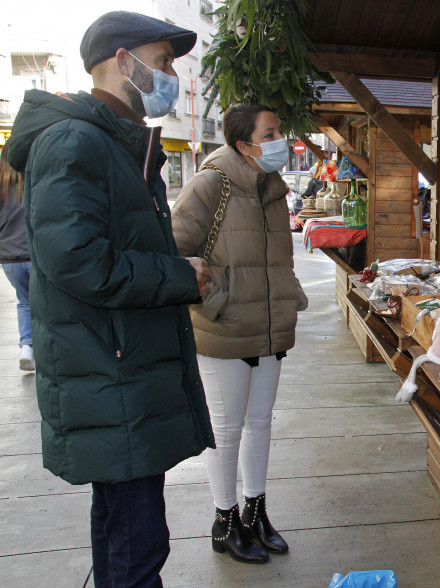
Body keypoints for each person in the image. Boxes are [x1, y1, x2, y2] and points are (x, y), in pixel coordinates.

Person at [5, 11, 214, 587]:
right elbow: (78, 261)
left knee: (126, 533)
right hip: (111, 374)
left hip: (121, 370)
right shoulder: (74, 141)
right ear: (124, 62)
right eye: (164, 62)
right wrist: (177, 276)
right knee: (137, 544)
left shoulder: (113, 142)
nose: (171, 74)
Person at [171, 104, 308, 564]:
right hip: (225, 330)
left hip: (269, 329)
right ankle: (225, 521)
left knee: (261, 423)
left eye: (279, 131)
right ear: (243, 143)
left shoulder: (272, 187)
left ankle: (255, 511)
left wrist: (287, 294)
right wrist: (216, 300)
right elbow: (174, 250)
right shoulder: (213, 182)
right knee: (226, 430)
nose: (279, 140)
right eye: (270, 133)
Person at [0, 146, 34, 371]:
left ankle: (27, 347)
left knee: (24, 301)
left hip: (8, 257)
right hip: (33, 254)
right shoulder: (31, 183)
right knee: (44, 304)